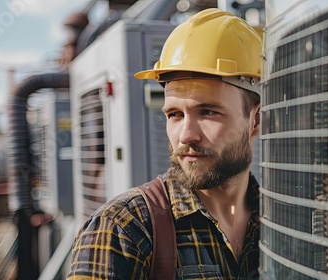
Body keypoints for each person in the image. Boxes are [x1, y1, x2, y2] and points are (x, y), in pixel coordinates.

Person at [67, 8, 262, 279]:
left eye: (208, 112)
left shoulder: (283, 221)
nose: (185, 135)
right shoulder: (123, 229)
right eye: (175, 115)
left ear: (255, 120)